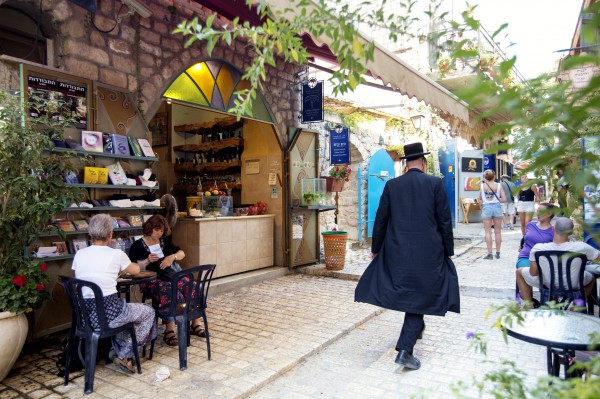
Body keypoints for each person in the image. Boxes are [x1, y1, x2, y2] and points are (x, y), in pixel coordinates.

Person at [355, 142, 459, 370]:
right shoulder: (434, 183)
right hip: (428, 252)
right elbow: (444, 221)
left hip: (398, 250)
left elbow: (380, 220)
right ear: (423, 161)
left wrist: (376, 249)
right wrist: (448, 252)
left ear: (405, 164)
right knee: (420, 295)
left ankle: (415, 332)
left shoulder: (392, 185)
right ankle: (405, 351)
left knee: (415, 294)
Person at [72, 214, 157, 374]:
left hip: (85, 317)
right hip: (109, 316)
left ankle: (118, 348)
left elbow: (88, 277)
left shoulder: (80, 254)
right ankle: (125, 354)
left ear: (90, 232)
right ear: (110, 234)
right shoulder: (116, 254)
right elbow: (136, 270)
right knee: (148, 312)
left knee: (128, 315)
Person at [128, 215, 205, 347]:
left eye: (162, 231)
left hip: (168, 275)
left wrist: (172, 257)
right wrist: (147, 261)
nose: (159, 233)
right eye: (156, 230)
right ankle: (169, 329)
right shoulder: (137, 245)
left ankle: (195, 322)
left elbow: (182, 253)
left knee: (192, 285)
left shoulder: (164, 242)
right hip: (150, 279)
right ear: (149, 228)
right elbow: (132, 268)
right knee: (170, 290)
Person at [516, 217, 600, 302]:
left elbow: (533, 273)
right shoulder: (582, 247)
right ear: (571, 232)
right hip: (574, 283)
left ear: (553, 229)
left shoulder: (538, 248)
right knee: (591, 277)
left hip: (547, 283)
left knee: (519, 272)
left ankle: (529, 303)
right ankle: (577, 305)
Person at [515, 203, 555, 269]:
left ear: (549, 214)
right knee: (528, 272)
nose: (538, 213)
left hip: (543, 259)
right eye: (538, 211)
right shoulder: (530, 225)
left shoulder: (553, 231)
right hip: (526, 256)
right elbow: (524, 239)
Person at [480, 169, 506, 260]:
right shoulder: (499, 186)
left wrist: (481, 208)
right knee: (498, 231)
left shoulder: (482, 186)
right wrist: (497, 198)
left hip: (486, 207)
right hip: (497, 207)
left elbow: (480, 200)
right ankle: (498, 252)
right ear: (494, 176)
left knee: (488, 232)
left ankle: (490, 253)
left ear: (485, 177)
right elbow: (504, 199)